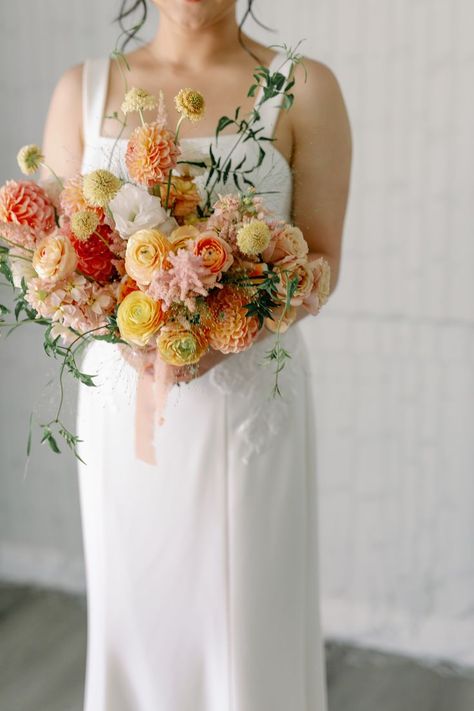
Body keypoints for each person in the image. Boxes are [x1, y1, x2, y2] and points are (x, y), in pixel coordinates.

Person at [41, 1, 352, 709]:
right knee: (137, 603)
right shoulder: (80, 90)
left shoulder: (306, 89)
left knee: (244, 613)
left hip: (247, 405)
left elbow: (322, 263)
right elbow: (58, 266)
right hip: (125, 408)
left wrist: (219, 331)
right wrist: (128, 332)